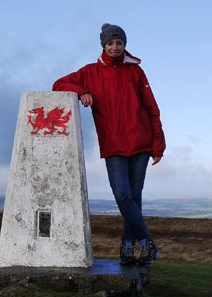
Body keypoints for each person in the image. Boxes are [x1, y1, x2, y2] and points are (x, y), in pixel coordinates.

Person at [52, 23, 166, 266]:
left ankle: (128, 247)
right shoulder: (90, 72)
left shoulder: (136, 72)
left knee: (134, 197)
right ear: (103, 45)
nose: (115, 47)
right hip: (113, 144)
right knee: (123, 195)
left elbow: (152, 108)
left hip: (141, 141)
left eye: (119, 43)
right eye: (110, 43)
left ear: (125, 45)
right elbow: (58, 84)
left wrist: (159, 144)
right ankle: (146, 242)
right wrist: (82, 91)